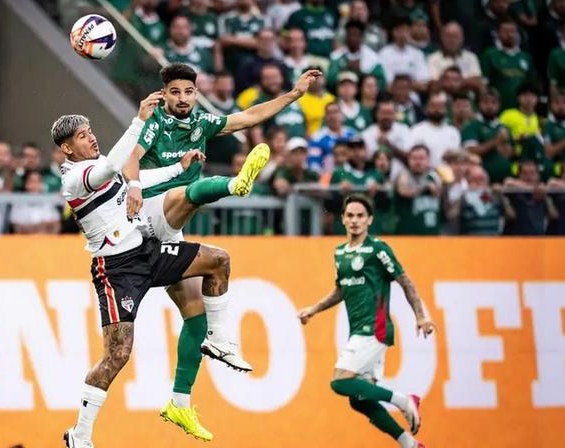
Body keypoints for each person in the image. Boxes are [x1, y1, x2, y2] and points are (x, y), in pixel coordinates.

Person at [124, 63, 322, 373]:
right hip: (147, 212)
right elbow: (131, 157)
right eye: (175, 92)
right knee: (186, 191)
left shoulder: (203, 123)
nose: (182, 98)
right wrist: (134, 186)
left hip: (171, 229)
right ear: (164, 95)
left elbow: (248, 117)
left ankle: (182, 400)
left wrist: (294, 94)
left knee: (196, 315)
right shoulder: (156, 121)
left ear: (197, 94)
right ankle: (234, 184)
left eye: (188, 92)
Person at [55, 94, 229, 446]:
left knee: (218, 260)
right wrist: (138, 122)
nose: (91, 138)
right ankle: (80, 434)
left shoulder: (101, 164)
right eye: (83, 136)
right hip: (116, 270)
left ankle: (218, 337)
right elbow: (111, 169)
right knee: (117, 354)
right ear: (68, 149)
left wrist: (178, 169)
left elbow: (135, 178)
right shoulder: (76, 177)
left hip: (147, 252)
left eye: (90, 132)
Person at [298, 194, 435, 448]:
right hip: (358, 331)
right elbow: (340, 290)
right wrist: (313, 309)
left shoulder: (378, 249)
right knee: (358, 399)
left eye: (360, 216)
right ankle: (410, 443)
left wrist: (420, 316)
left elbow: (405, 280)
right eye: (350, 215)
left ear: (370, 220)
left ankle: (404, 400)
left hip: (375, 328)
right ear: (342, 219)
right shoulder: (340, 253)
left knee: (340, 382)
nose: (355, 220)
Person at [461, 88, 513, 185]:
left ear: (499, 105)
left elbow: (508, 154)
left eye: (494, 103)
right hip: (480, 181)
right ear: (479, 104)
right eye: (486, 102)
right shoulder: (472, 126)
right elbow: (471, 151)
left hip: (505, 180)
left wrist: (504, 143)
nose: (490, 106)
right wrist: (495, 141)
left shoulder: (504, 128)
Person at [395, 145, 443, 235]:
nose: (418, 162)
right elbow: (403, 191)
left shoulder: (434, 176)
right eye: (414, 158)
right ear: (408, 160)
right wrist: (424, 187)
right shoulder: (404, 175)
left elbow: (440, 193)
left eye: (421, 158)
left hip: (433, 234)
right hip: (408, 235)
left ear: (428, 160)